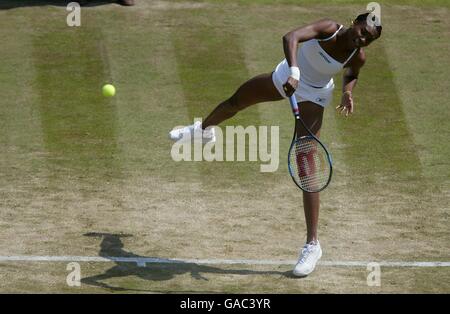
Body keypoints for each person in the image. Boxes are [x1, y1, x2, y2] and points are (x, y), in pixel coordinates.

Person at [169, 13, 382, 277]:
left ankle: (312, 245)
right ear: (355, 22)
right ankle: (202, 131)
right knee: (236, 101)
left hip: (314, 94)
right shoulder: (328, 28)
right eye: (361, 31)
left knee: (306, 163)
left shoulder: (358, 55)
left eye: (367, 39)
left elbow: (352, 73)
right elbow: (290, 37)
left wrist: (347, 92)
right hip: (286, 76)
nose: (361, 39)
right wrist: (294, 72)